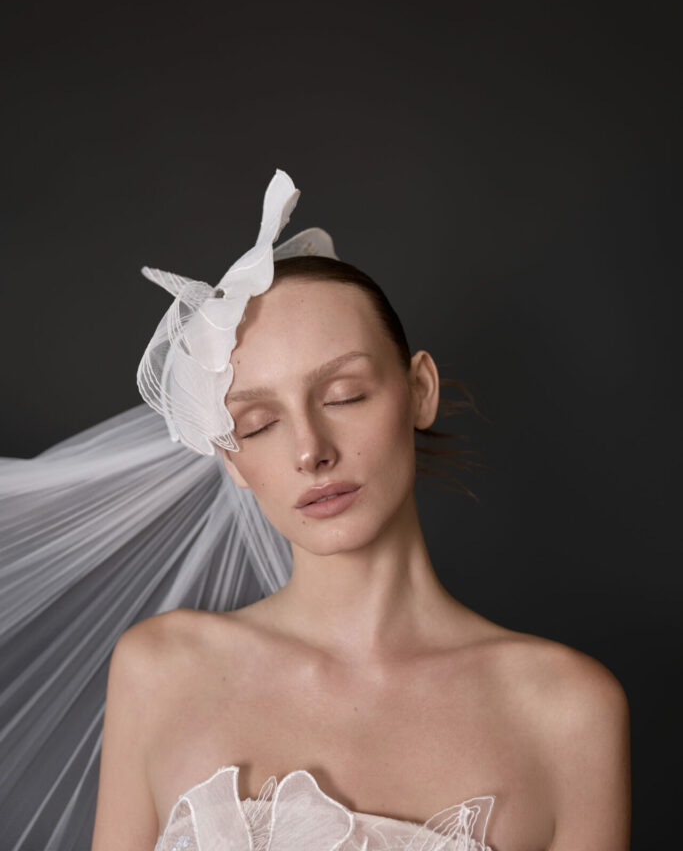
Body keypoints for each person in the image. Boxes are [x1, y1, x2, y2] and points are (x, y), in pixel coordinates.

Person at [86, 170, 631, 851]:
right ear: (232, 461)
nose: (310, 451)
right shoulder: (160, 670)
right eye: (257, 425)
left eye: (343, 395)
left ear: (419, 391)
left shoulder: (565, 709)